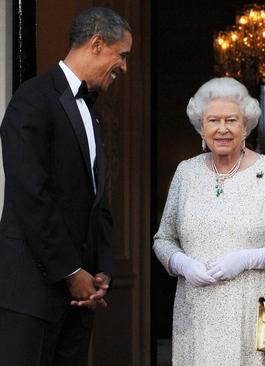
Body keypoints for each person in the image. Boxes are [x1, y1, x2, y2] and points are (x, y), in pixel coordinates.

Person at [0, 7, 131, 365]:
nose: (124, 66)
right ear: (97, 43)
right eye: (122, 55)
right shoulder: (32, 98)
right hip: (31, 294)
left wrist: (101, 269)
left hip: (79, 301)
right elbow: (31, 196)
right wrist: (71, 272)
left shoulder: (95, 113)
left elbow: (97, 201)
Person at [153, 77, 265, 366]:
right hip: (195, 314)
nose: (222, 129)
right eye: (213, 120)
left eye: (231, 120)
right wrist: (181, 264)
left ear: (245, 126)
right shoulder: (186, 173)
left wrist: (250, 258)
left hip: (249, 315)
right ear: (202, 127)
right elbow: (163, 239)